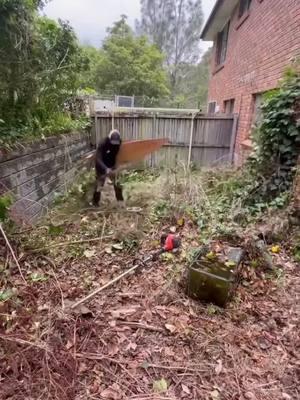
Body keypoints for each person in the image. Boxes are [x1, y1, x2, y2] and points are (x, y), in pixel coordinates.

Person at [92, 129, 124, 207]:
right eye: (112, 143)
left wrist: (116, 167)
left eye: (116, 143)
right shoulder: (103, 143)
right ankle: (95, 203)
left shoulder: (119, 142)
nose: (114, 145)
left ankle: (120, 202)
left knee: (117, 184)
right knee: (99, 185)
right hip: (101, 165)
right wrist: (105, 169)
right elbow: (98, 158)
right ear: (109, 139)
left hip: (112, 165)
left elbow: (118, 155)